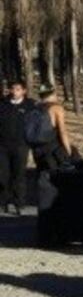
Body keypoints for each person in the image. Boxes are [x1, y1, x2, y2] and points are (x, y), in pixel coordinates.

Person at [0, 81, 35, 215]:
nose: (14, 91)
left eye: (18, 89)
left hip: (21, 146)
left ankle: (19, 203)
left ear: (24, 91)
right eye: (12, 89)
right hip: (3, 146)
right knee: (3, 175)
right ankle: (5, 202)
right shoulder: (3, 104)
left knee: (19, 175)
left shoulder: (30, 105)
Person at [32, 84, 72, 171]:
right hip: (53, 150)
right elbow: (62, 132)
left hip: (37, 150)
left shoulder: (34, 107)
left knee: (43, 177)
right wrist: (68, 150)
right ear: (53, 94)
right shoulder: (56, 108)